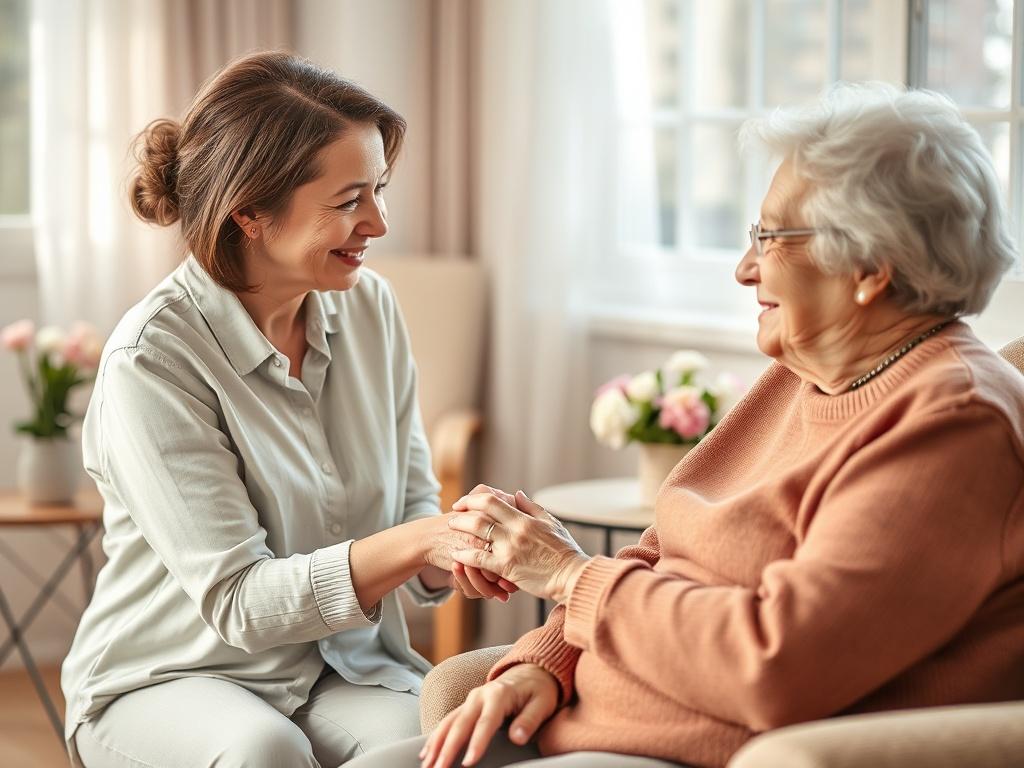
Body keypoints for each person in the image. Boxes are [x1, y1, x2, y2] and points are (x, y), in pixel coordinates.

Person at [350, 83, 1024, 768]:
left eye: (771, 237)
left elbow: (777, 665)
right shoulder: (803, 372)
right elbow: (663, 552)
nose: (744, 268)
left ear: (870, 269)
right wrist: (544, 663)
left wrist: (567, 576)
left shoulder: (951, 424)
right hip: (595, 724)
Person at [61, 50, 514, 768]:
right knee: (264, 753)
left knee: (453, 745)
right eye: (348, 201)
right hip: (172, 676)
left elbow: (410, 506)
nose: (379, 223)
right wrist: (421, 542)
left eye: (379, 190)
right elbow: (242, 602)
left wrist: (464, 546)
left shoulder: (370, 309)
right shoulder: (151, 362)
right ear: (251, 213)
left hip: (345, 670)